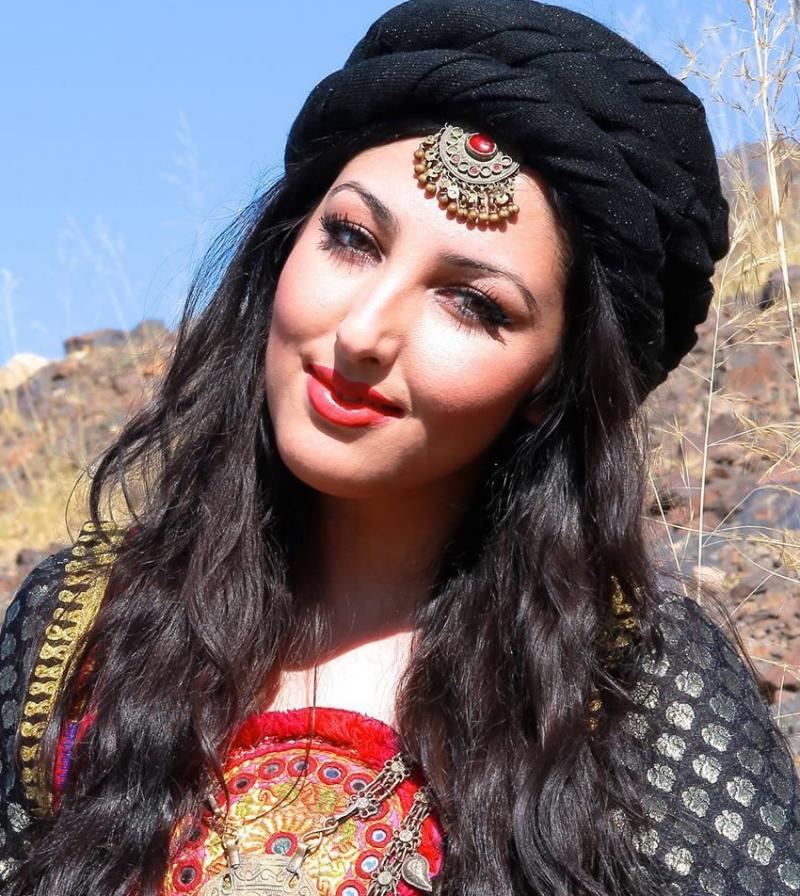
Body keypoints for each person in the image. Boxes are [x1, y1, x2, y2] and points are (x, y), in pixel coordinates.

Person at [1, 1, 798, 894]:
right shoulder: (81, 630)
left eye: (473, 303)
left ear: (550, 385)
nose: (364, 332)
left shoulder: (631, 694)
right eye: (352, 239)